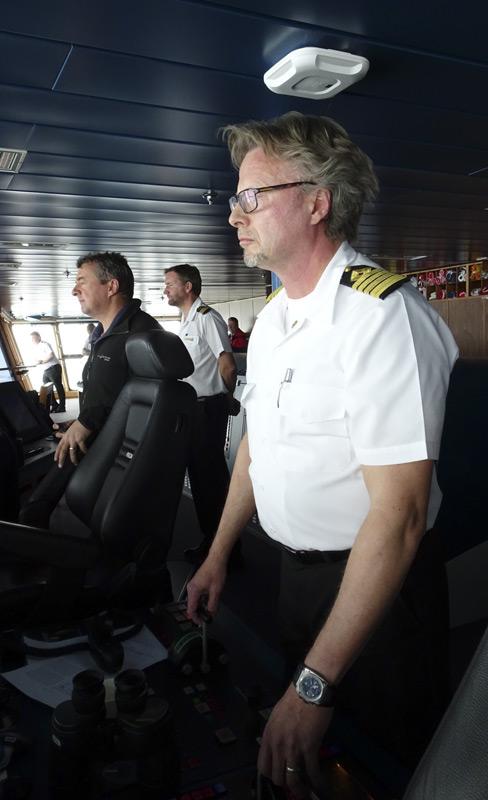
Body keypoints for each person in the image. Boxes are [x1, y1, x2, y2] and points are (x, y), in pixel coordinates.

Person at [186, 111, 459, 794]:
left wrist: (316, 682)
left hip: (381, 594)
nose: (234, 215)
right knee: (311, 759)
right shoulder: (276, 319)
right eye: (234, 199)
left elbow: (399, 516)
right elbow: (257, 448)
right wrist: (218, 554)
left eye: (252, 196)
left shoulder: (382, 317)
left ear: (317, 202)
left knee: (386, 764)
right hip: (294, 577)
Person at [20, 252, 161, 526]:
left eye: (82, 281)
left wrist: (87, 422)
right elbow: (114, 394)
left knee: (33, 511)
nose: (74, 290)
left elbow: (145, 409)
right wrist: (81, 420)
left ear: (111, 286)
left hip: (115, 450)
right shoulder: (107, 334)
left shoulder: (139, 333)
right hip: (98, 434)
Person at [163, 264, 237, 564]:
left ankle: (226, 553)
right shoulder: (186, 321)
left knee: (211, 482)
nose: (165, 290)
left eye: (169, 284)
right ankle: (213, 544)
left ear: (188, 286)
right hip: (194, 409)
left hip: (208, 409)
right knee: (202, 481)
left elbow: (227, 365)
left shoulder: (207, 318)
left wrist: (228, 399)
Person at [30, 331, 66, 412]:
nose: (33, 340)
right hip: (46, 370)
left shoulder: (44, 344)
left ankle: (62, 407)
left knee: (58, 386)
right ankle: (54, 404)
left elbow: (51, 355)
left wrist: (42, 361)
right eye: (32, 338)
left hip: (53, 368)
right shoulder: (37, 348)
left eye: (34, 338)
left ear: (39, 337)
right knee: (47, 388)